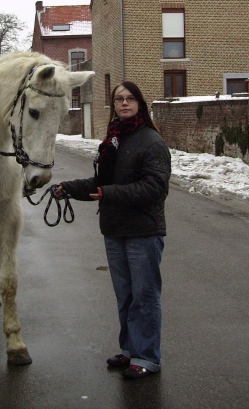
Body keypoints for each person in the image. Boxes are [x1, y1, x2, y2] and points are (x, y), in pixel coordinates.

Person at [55, 81, 171, 380]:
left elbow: (155, 188)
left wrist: (110, 194)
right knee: (126, 295)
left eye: (130, 98)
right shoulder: (113, 141)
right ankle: (131, 350)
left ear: (140, 104)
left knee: (144, 296)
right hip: (115, 229)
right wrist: (67, 188)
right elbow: (100, 183)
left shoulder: (151, 142)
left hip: (143, 231)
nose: (124, 104)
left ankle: (147, 357)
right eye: (119, 99)